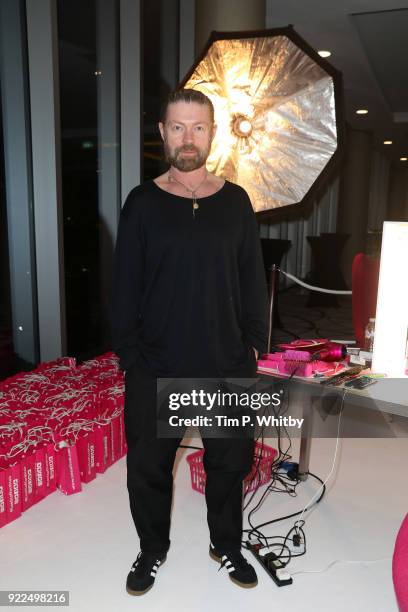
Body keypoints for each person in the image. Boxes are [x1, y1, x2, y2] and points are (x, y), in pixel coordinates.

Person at [109, 89, 269, 595]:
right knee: (148, 471)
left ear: (212, 133)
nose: (188, 138)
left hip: (224, 362)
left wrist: (251, 346)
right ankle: (152, 549)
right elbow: (122, 288)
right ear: (162, 132)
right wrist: (130, 354)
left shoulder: (237, 201)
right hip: (156, 364)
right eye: (177, 127)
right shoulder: (142, 202)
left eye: (198, 127)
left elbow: (251, 279)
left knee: (229, 465)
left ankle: (225, 545)